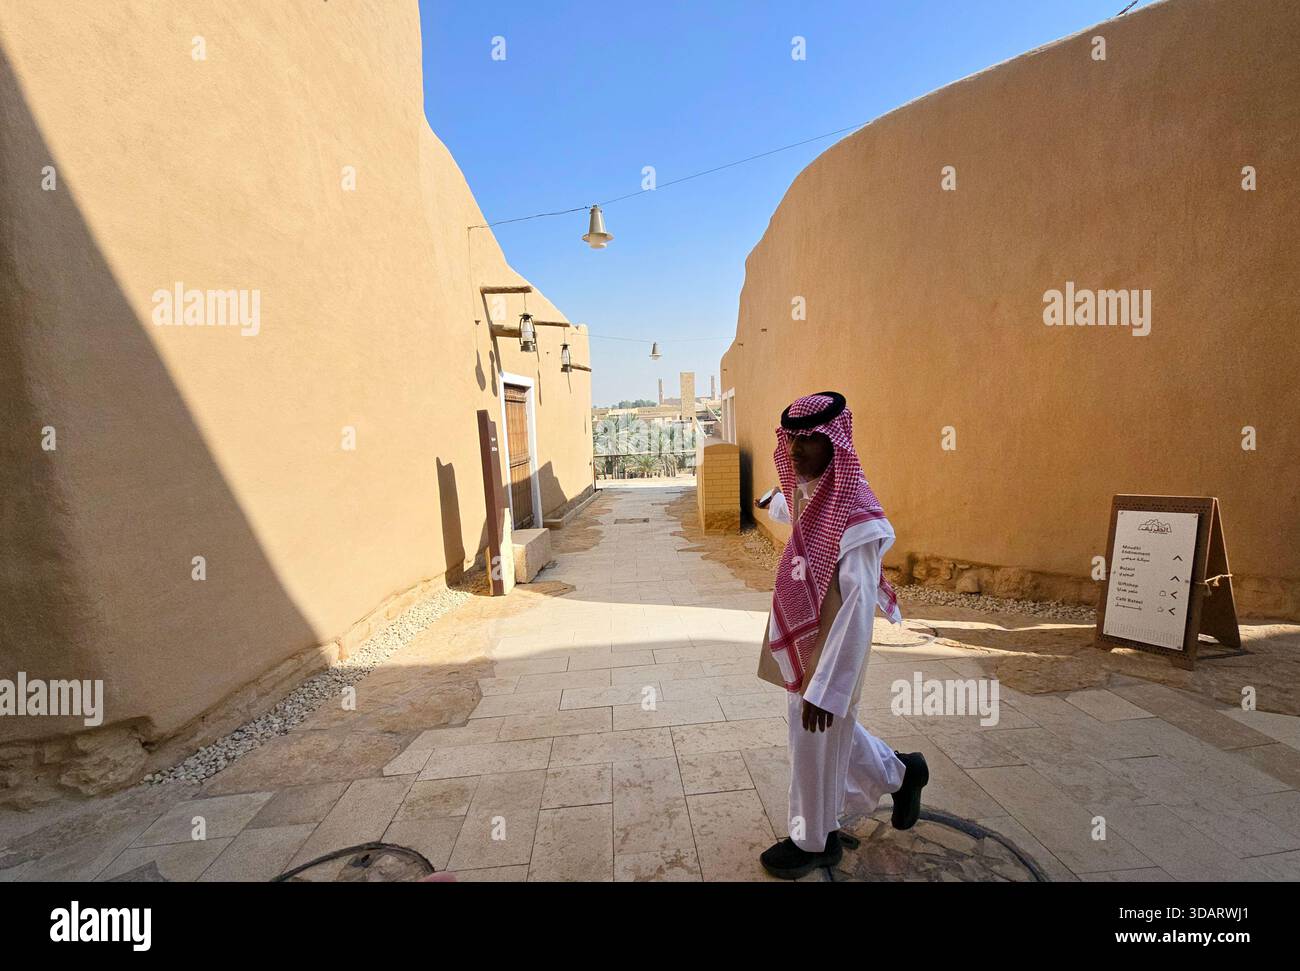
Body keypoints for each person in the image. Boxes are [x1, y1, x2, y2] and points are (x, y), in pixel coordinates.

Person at [754, 391, 928, 879]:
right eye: (792, 439)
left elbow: (856, 613)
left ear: (837, 444)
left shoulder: (858, 513)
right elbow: (794, 505)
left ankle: (813, 841)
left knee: (812, 733)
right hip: (807, 632)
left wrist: (828, 686)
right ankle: (900, 771)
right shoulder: (815, 491)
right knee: (826, 732)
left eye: (810, 440)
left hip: (832, 646)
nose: (797, 451)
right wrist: (769, 499)